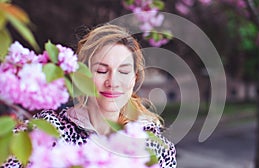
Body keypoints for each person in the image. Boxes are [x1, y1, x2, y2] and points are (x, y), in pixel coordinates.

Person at [2, 24, 176, 168]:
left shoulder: (154, 146)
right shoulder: (49, 131)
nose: (112, 81)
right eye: (101, 71)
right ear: (83, 75)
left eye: (123, 71)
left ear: (134, 79)